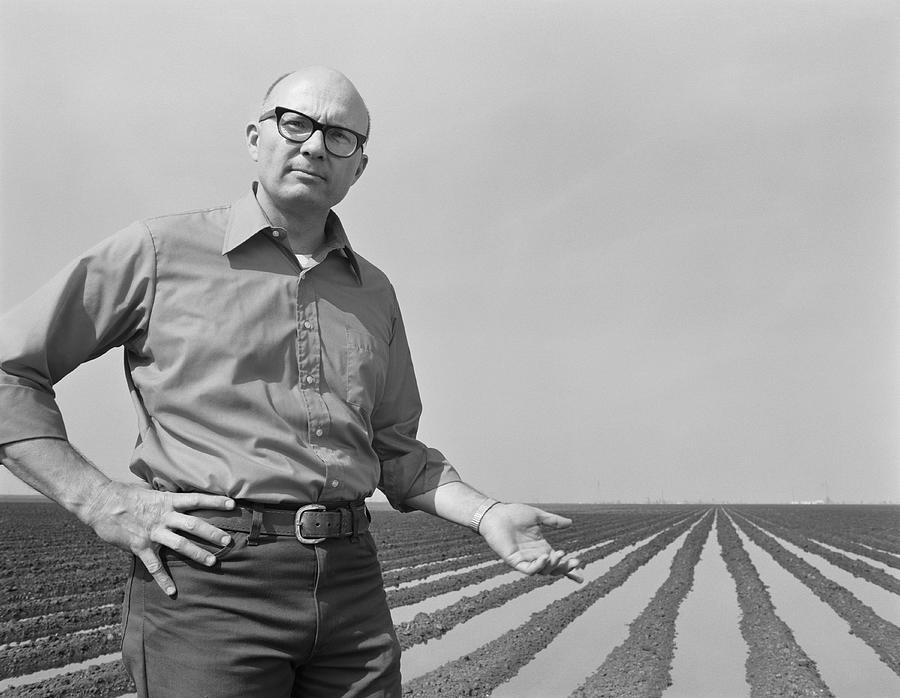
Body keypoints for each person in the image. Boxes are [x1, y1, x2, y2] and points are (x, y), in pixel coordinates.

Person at [0, 66, 583, 697]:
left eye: (340, 137)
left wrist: (487, 514)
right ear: (255, 136)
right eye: (296, 123)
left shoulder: (373, 291)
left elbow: (395, 452)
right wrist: (100, 501)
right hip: (209, 581)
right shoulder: (160, 251)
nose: (313, 146)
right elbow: (9, 370)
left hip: (351, 588)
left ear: (358, 167)